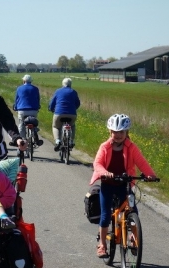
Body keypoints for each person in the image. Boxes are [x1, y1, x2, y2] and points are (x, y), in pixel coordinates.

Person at [89, 114, 157, 258]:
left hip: (124, 184)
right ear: (110, 132)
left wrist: (150, 175)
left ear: (127, 133)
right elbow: (97, 163)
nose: (118, 135)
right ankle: (102, 245)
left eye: (121, 132)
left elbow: (141, 162)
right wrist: (105, 172)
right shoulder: (105, 146)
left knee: (132, 210)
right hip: (107, 184)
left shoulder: (131, 147)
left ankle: (133, 236)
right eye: (115, 131)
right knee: (106, 215)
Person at [48, 77, 81, 151]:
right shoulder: (73, 92)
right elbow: (78, 103)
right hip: (72, 114)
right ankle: (71, 141)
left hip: (59, 113)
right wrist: (73, 109)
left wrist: (51, 109)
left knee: (55, 126)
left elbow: (52, 103)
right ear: (70, 84)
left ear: (63, 84)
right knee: (72, 125)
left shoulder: (58, 91)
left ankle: (58, 141)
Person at [13, 74, 43, 146]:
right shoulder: (35, 89)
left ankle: (22, 140)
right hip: (33, 110)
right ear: (31, 81)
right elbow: (38, 99)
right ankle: (35, 135)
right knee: (34, 123)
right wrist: (37, 106)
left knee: (21, 125)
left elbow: (16, 99)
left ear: (24, 81)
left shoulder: (19, 88)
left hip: (22, 110)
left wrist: (15, 107)